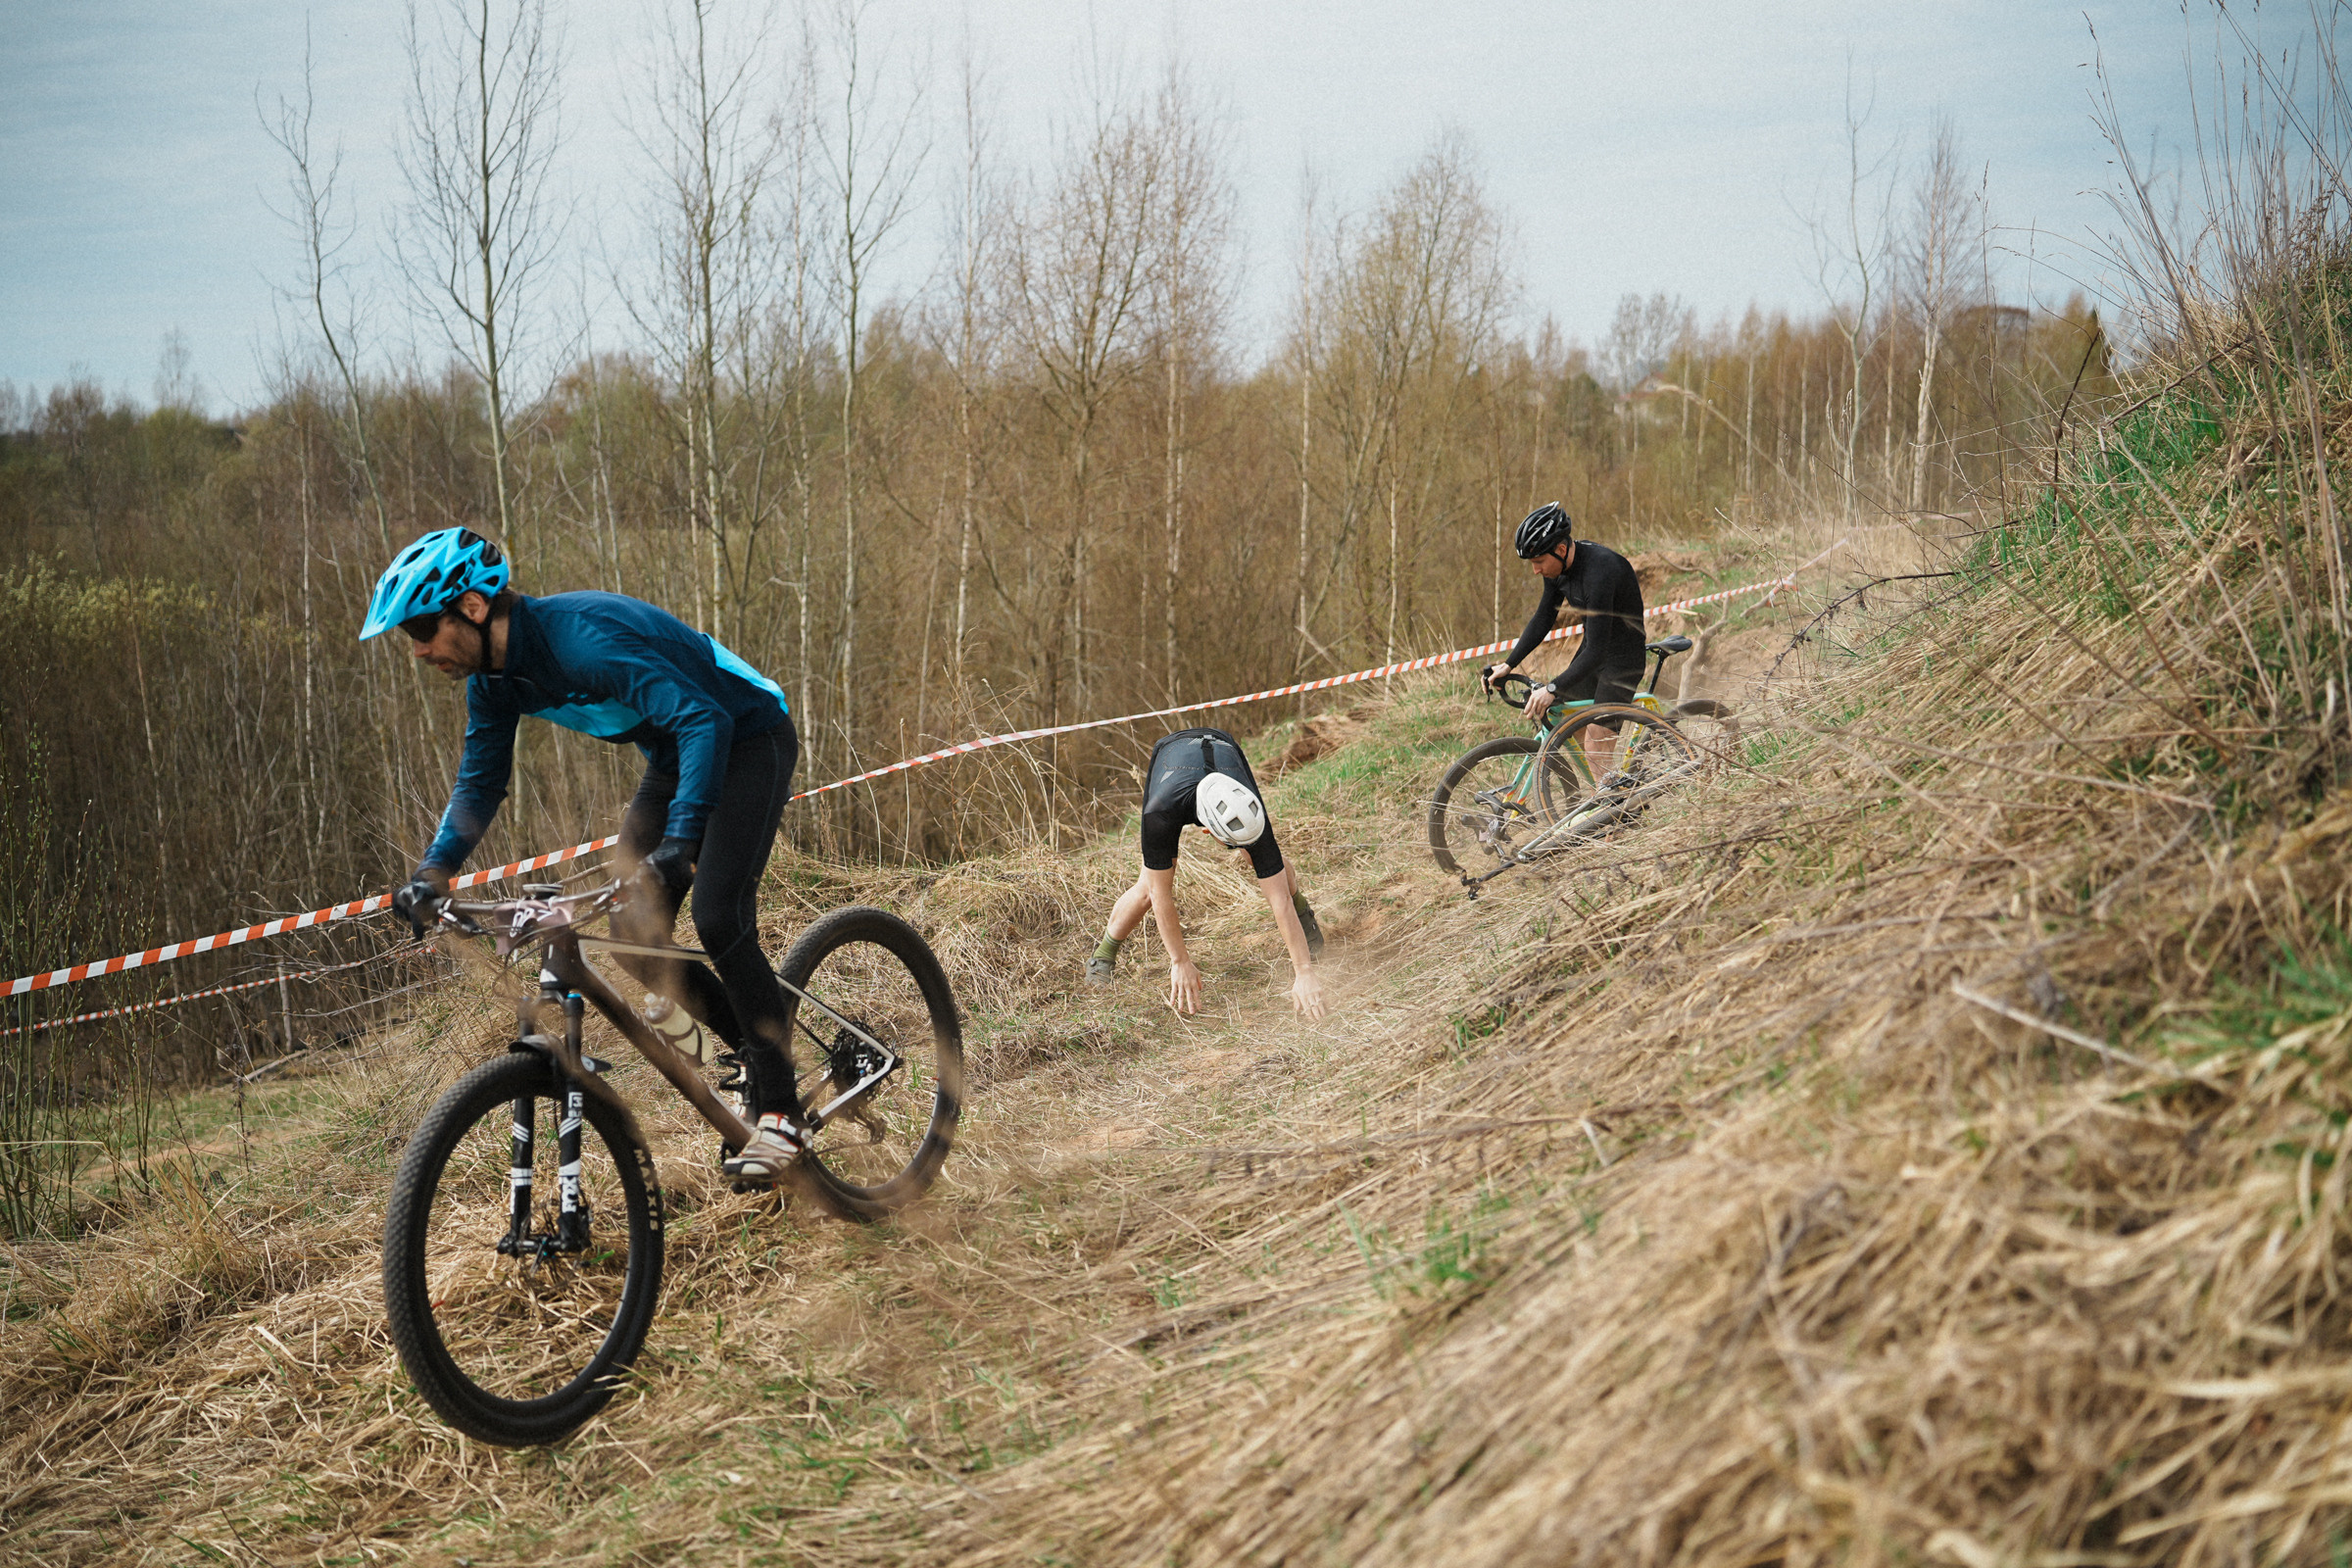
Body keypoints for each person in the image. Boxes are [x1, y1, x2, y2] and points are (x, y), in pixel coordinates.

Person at [363, 527, 810, 1187]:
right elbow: (480, 783)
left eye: (423, 628)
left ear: (474, 608)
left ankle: (781, 1110)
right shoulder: (494, 681)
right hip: (674, 752)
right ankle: (749, 1046)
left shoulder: (583, 638)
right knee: (633, 936)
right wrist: (434, 871)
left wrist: (682, 845)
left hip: (745, 735)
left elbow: (704, 719)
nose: (420, 649)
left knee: (718, 915)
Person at [1086, 726, 1329, 1020]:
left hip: (1223, 750)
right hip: (1171, 758)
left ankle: (1305, 917)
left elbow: (1279, 899)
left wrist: (1303, 971)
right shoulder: (1159, 813)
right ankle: (1102, 957)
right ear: (1206, 830)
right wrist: (1179, 961)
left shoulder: (1250, 808)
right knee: (1148, 886)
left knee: (1265, 863)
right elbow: (1159, 895)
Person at [1481, 502, 1647, 777]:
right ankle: (1611, 793)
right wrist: (1508, 665)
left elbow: (1597, 649)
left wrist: (1553, 688)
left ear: (1560, 549)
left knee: (1595, 739)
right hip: (1593, 655)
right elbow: (1543, 618)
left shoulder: (1600, 571)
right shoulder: (1559, 569)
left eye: (1538, 562)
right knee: (1569, 721)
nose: (1535, 571)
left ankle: (1620, 812)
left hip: (1622, 660)